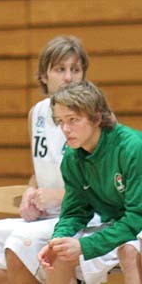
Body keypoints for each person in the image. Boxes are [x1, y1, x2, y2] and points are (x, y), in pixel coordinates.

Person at [0, 36, 124, 284]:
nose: (69, 77)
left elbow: (113, 185)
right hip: (46, 216)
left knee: (19, 245)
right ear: (43, 76)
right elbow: (40, 170)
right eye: (60, 69)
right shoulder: (36, 113)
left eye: (75, 70)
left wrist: (60, 197)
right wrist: (31, 192)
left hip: (87, 218)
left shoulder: (97, 118)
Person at [38, 80, 142, 284]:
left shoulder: (132, 148)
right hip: (121, 224)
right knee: (60, 254)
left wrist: (85, 246)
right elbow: (74, 212)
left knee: (129, 251)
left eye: (73, 120)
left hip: (136, 222)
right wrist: (57, 240)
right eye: (60, 121)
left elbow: (137, 218)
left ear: (97, 118)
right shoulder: (72, 157)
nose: (65, 129)